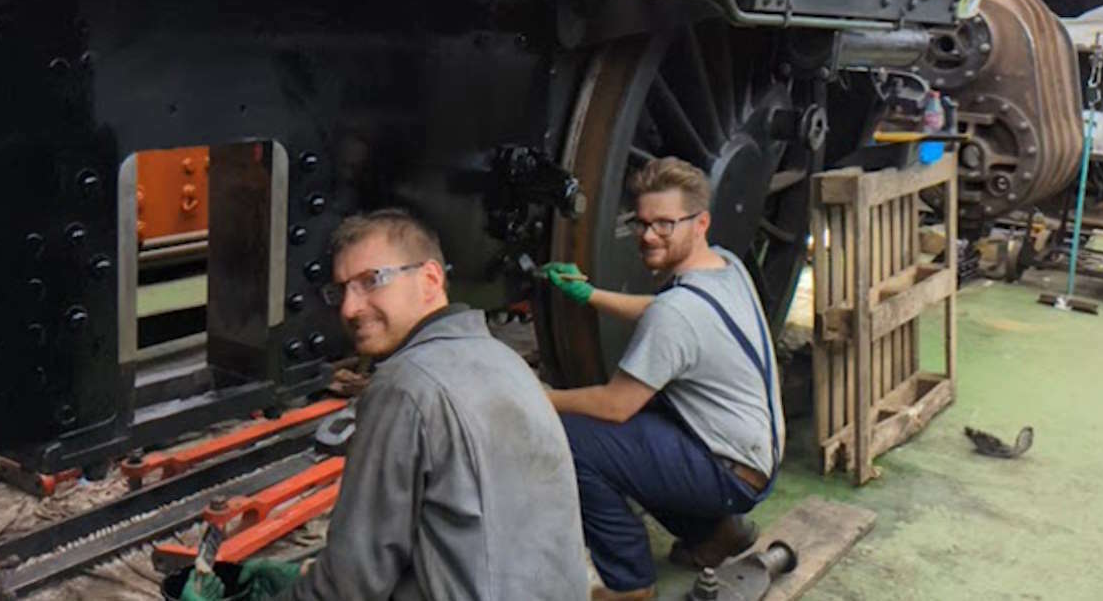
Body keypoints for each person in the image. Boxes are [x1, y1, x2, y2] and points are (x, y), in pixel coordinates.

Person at [188, 207, 589, 601]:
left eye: (370, 281)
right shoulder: (503, 360)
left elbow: (351, 586)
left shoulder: (406, 386)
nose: (349, 308)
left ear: (430, 279)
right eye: (341, 290)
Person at [544, 157, 784, 601]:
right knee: (634, 429)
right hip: (751, 456)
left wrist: (543, 397)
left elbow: (617, 404)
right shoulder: (725, 265)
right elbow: (666, 315)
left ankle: (630, 583)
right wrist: (590, 295)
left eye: (665, 224)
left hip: (726, 472)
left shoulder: (677, 313)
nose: (649, 234)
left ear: (700, 222)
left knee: (573, 436)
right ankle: (715, 536)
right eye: (642, 222)